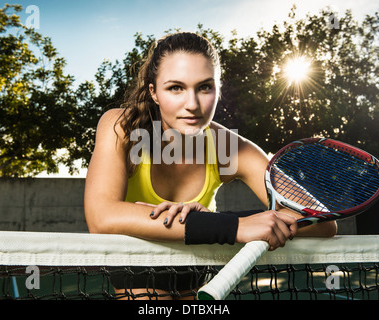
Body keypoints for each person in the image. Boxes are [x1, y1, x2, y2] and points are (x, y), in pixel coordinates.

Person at [84, 32, 337, 299]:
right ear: (154, 92)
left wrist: (218, 221)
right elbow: (102, 217)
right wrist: (230, 225)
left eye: (205, 87)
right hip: (135, 270)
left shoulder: (228, 147)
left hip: (194, 272)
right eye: (175, 88)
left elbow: (322, 222)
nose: (192, 105)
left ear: (218, 89)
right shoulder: (122, 127)